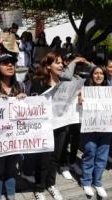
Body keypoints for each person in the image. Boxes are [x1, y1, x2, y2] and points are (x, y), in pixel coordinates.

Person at [0, 53, 26, 200]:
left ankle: (11, 195)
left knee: (11, 169)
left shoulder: (21, 86)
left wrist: (24, 99)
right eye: (5, 63)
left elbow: (27, 113)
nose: (10, 65)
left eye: (12, 63)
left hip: (14, 137)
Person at [28, 52, 65, 200]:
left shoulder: (64, 83)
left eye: (62, 63)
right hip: (43, 127)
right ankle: (39, 188)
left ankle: (51, 184)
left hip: (61, 126)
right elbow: (32, 104)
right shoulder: (38, 82)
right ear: (48, 66)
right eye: (57, 62)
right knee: (43, 158)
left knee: (55, 158)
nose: (61, 65)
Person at [79, 66, 112, 198]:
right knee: (90, 153)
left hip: (106, 129)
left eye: (101, 74)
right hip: (90, 129)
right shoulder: (84, 90)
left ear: (105, 76)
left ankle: (97, 182)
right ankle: (86, 182)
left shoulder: (111, 91)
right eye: (96, 73)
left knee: (102, 157)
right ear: (92, 76)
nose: (99, 76)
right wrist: (79, 100)